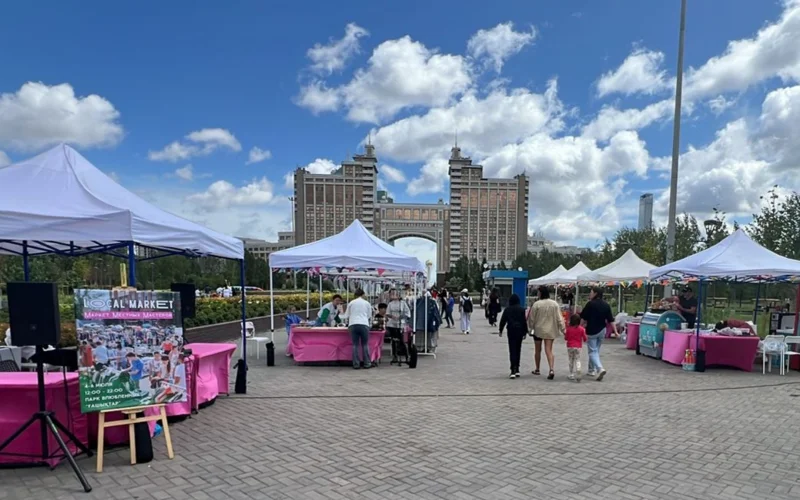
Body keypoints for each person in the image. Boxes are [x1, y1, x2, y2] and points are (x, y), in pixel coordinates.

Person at [580, 286, 617, 381]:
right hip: (602, 330)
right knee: (596, 351)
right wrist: (616, 332)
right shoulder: (606, 305)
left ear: (596, 293)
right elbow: (611, 320)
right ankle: (591, 369)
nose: (590, 294)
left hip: (592, 330)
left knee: (592, 351)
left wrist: (579, 328)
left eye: (591, 292)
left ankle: (599, 368)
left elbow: (583, 318)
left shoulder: (590, 304)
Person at [527, 286, 564, 379]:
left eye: (538, 292)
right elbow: (559, 318)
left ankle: (537, 368)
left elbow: (531, 319)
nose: (537, 294)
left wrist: (530, 328)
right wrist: (563, 329)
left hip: (538, 330)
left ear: (541, 293)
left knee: (537, 350)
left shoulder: (536, 304)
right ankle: (551, 369)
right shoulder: (554, 304)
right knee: (549, 350)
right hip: (550, 330)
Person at [341, 289, 374, 369]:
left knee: (355, 345)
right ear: (362, 294)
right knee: (365, 344)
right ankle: (367, 363)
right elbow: (369, 315)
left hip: (353, 324)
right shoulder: (367, 303)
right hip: (364, 324)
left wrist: (340, 314)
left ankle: (356, 364)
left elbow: (346, 315)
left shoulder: (351, 303)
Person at [498, 294, 527, 379]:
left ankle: (512, 370)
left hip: (511, 331)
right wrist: (525, 332)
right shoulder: (522, 310)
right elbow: (524, 321)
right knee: (518, 349)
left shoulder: (507, 309)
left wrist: (500, 330)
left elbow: (503, 320)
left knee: (512, 350)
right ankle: (517, 369)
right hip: (519, 331)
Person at [386, 290, 411, 362]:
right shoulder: (390, 304)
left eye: (395, 294)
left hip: (401, 323)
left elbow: (407, 312)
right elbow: (387, 313)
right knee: (393, 340)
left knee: (402, 340)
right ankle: (395, 356)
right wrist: (392, 316)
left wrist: (402, 317)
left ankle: (407, 356)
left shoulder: (403, 303)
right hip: (392, 323)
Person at [565, 314, 588, 382]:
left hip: (570, 346)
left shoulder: (568, 329)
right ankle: (578, 369)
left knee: (571, 360)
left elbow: (566, 338)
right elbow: (585, 338)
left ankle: (571, 374)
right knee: (577, 359)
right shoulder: (581, 329)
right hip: (578, 347)